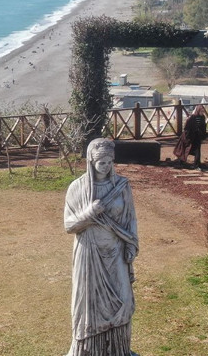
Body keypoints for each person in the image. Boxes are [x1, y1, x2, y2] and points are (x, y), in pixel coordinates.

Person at [64, 138, 138, 356]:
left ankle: (118, 350)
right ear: (91, 162)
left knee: (123, 302)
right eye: (101, 162)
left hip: (115, 252)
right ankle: (87, 351)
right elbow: (69, 225)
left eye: (109, 162)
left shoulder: (122, 186)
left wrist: (131, 244)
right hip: (89, 254)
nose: (106, 166)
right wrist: (89, 213)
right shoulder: (77, 188)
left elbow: (130, 219)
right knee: (90, 306)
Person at [174, 104, 207, 170]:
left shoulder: (202, 117)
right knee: (185, 149)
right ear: (198, 111)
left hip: (197, 136)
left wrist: (203, 135)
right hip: (189, 136)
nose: (202, 112)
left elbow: (203, 127)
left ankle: (197, 165)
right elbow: (186, 128)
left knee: (197, 150)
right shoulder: (192, 117)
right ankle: (181, 161)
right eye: (201, 111)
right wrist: (187, 137)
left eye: (203, 111)